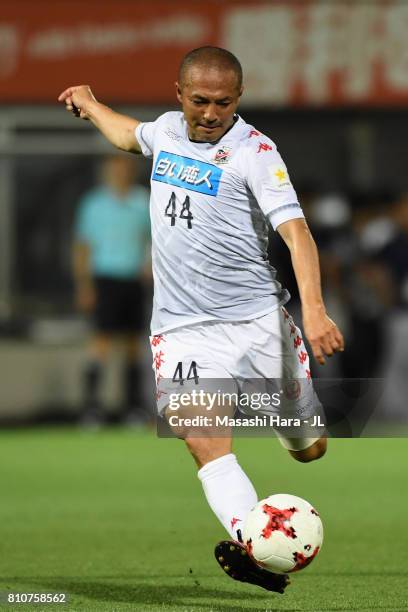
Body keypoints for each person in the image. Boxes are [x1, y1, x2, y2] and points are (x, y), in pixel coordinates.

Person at [59, 46, 344, 593]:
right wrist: (93, 105)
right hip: (182, 327)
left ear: (239, 99)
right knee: (202, 437)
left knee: (310, 449)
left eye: (223, 103)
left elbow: (297, 234)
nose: (210, 114)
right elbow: (127, 135)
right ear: (179, 95)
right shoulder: (166, 130)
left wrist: (314, 309)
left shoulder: (255, 152)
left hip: (258, 321)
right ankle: (253, 543)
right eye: (199, 102)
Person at [73, 154, 151, 425]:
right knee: (101, 343)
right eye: (114, 169)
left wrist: (149, 265)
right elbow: (83, 247)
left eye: (124, 168)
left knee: (132, 345)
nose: (119, 173)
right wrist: (84, 285)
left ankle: (133, 409)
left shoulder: (143, 202)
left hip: (133, 280)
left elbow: (154, 240)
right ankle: (92, 409)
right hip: (104, 279)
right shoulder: (94, 204)